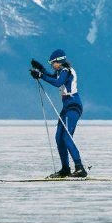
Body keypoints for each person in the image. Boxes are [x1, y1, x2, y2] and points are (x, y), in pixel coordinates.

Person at [30, 49, 86, 178]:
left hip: (73, 106)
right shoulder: (61, 71)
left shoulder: (66, 71)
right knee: (59, 138)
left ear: (59, 61)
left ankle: (80, 168)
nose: (52, 65)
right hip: (67, 107)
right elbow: (52, 76)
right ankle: (65, 169)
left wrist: (41, 76)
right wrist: (41, 69)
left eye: (53, 62)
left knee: (66, 137)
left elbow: (57, 83)